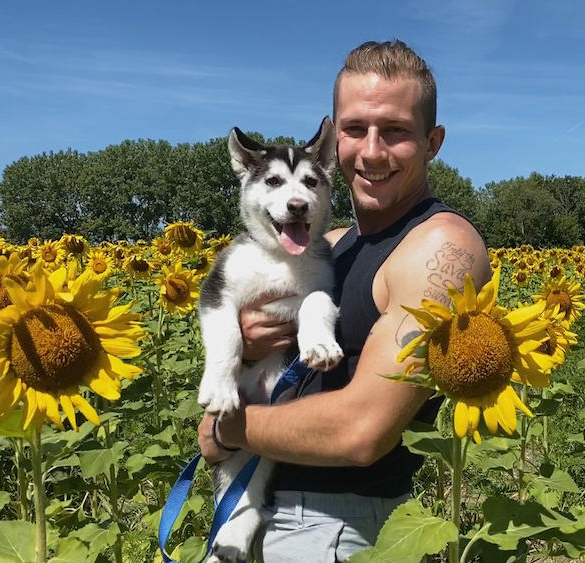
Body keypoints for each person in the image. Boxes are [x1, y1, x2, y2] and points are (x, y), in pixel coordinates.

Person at [196, 40, 490, 561]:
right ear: (335, 141)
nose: (372, 151)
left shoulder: (437, 248)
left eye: (396, 131)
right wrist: (239, 351)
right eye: (355, 128)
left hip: (332, 527)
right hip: (253, 501)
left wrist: (224, 429)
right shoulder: (331, 246)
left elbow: (361, 432)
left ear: (433, 141)